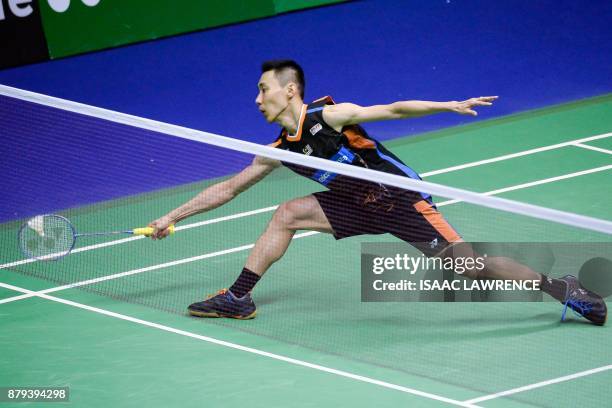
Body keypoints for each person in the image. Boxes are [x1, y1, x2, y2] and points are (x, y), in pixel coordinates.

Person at [148, 60, 607, 325]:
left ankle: (560, 286)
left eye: (263, 90)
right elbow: (228, 188)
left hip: (399, 198)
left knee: (466, 266)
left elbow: (391, 109)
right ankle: (239, 298)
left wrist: (447, 104)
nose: (256, 99)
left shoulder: (327, 118)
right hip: (353, 204)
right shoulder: (279, 150)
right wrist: (172, 217)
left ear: (290, 91)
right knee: (287, 212)